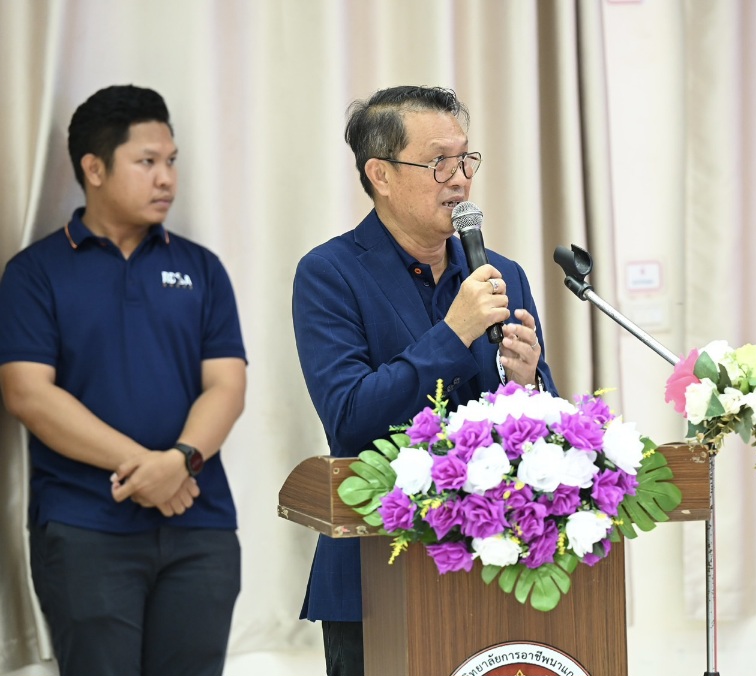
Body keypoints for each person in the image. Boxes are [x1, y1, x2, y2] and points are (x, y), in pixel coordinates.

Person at [292, 85, 557, 676]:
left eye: (466, 159)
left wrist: (531, 385)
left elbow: (547, 432)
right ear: (380, 174)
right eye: (439, 162)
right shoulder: (329, 274)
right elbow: (351, 418)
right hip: (379, 572)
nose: (459, 179)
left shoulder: (502, 274)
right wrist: (453, 334)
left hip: (499, 562)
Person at [0, 85, 247, 676]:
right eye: (147, 161)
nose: (166, 178)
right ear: (94, 168)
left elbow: (227, 386)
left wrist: (180, 461)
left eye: (172, 161)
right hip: (85, 527)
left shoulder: (201, 268)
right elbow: (27, 393)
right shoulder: (35, 272)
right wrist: (149, 469)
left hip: (200, 527)